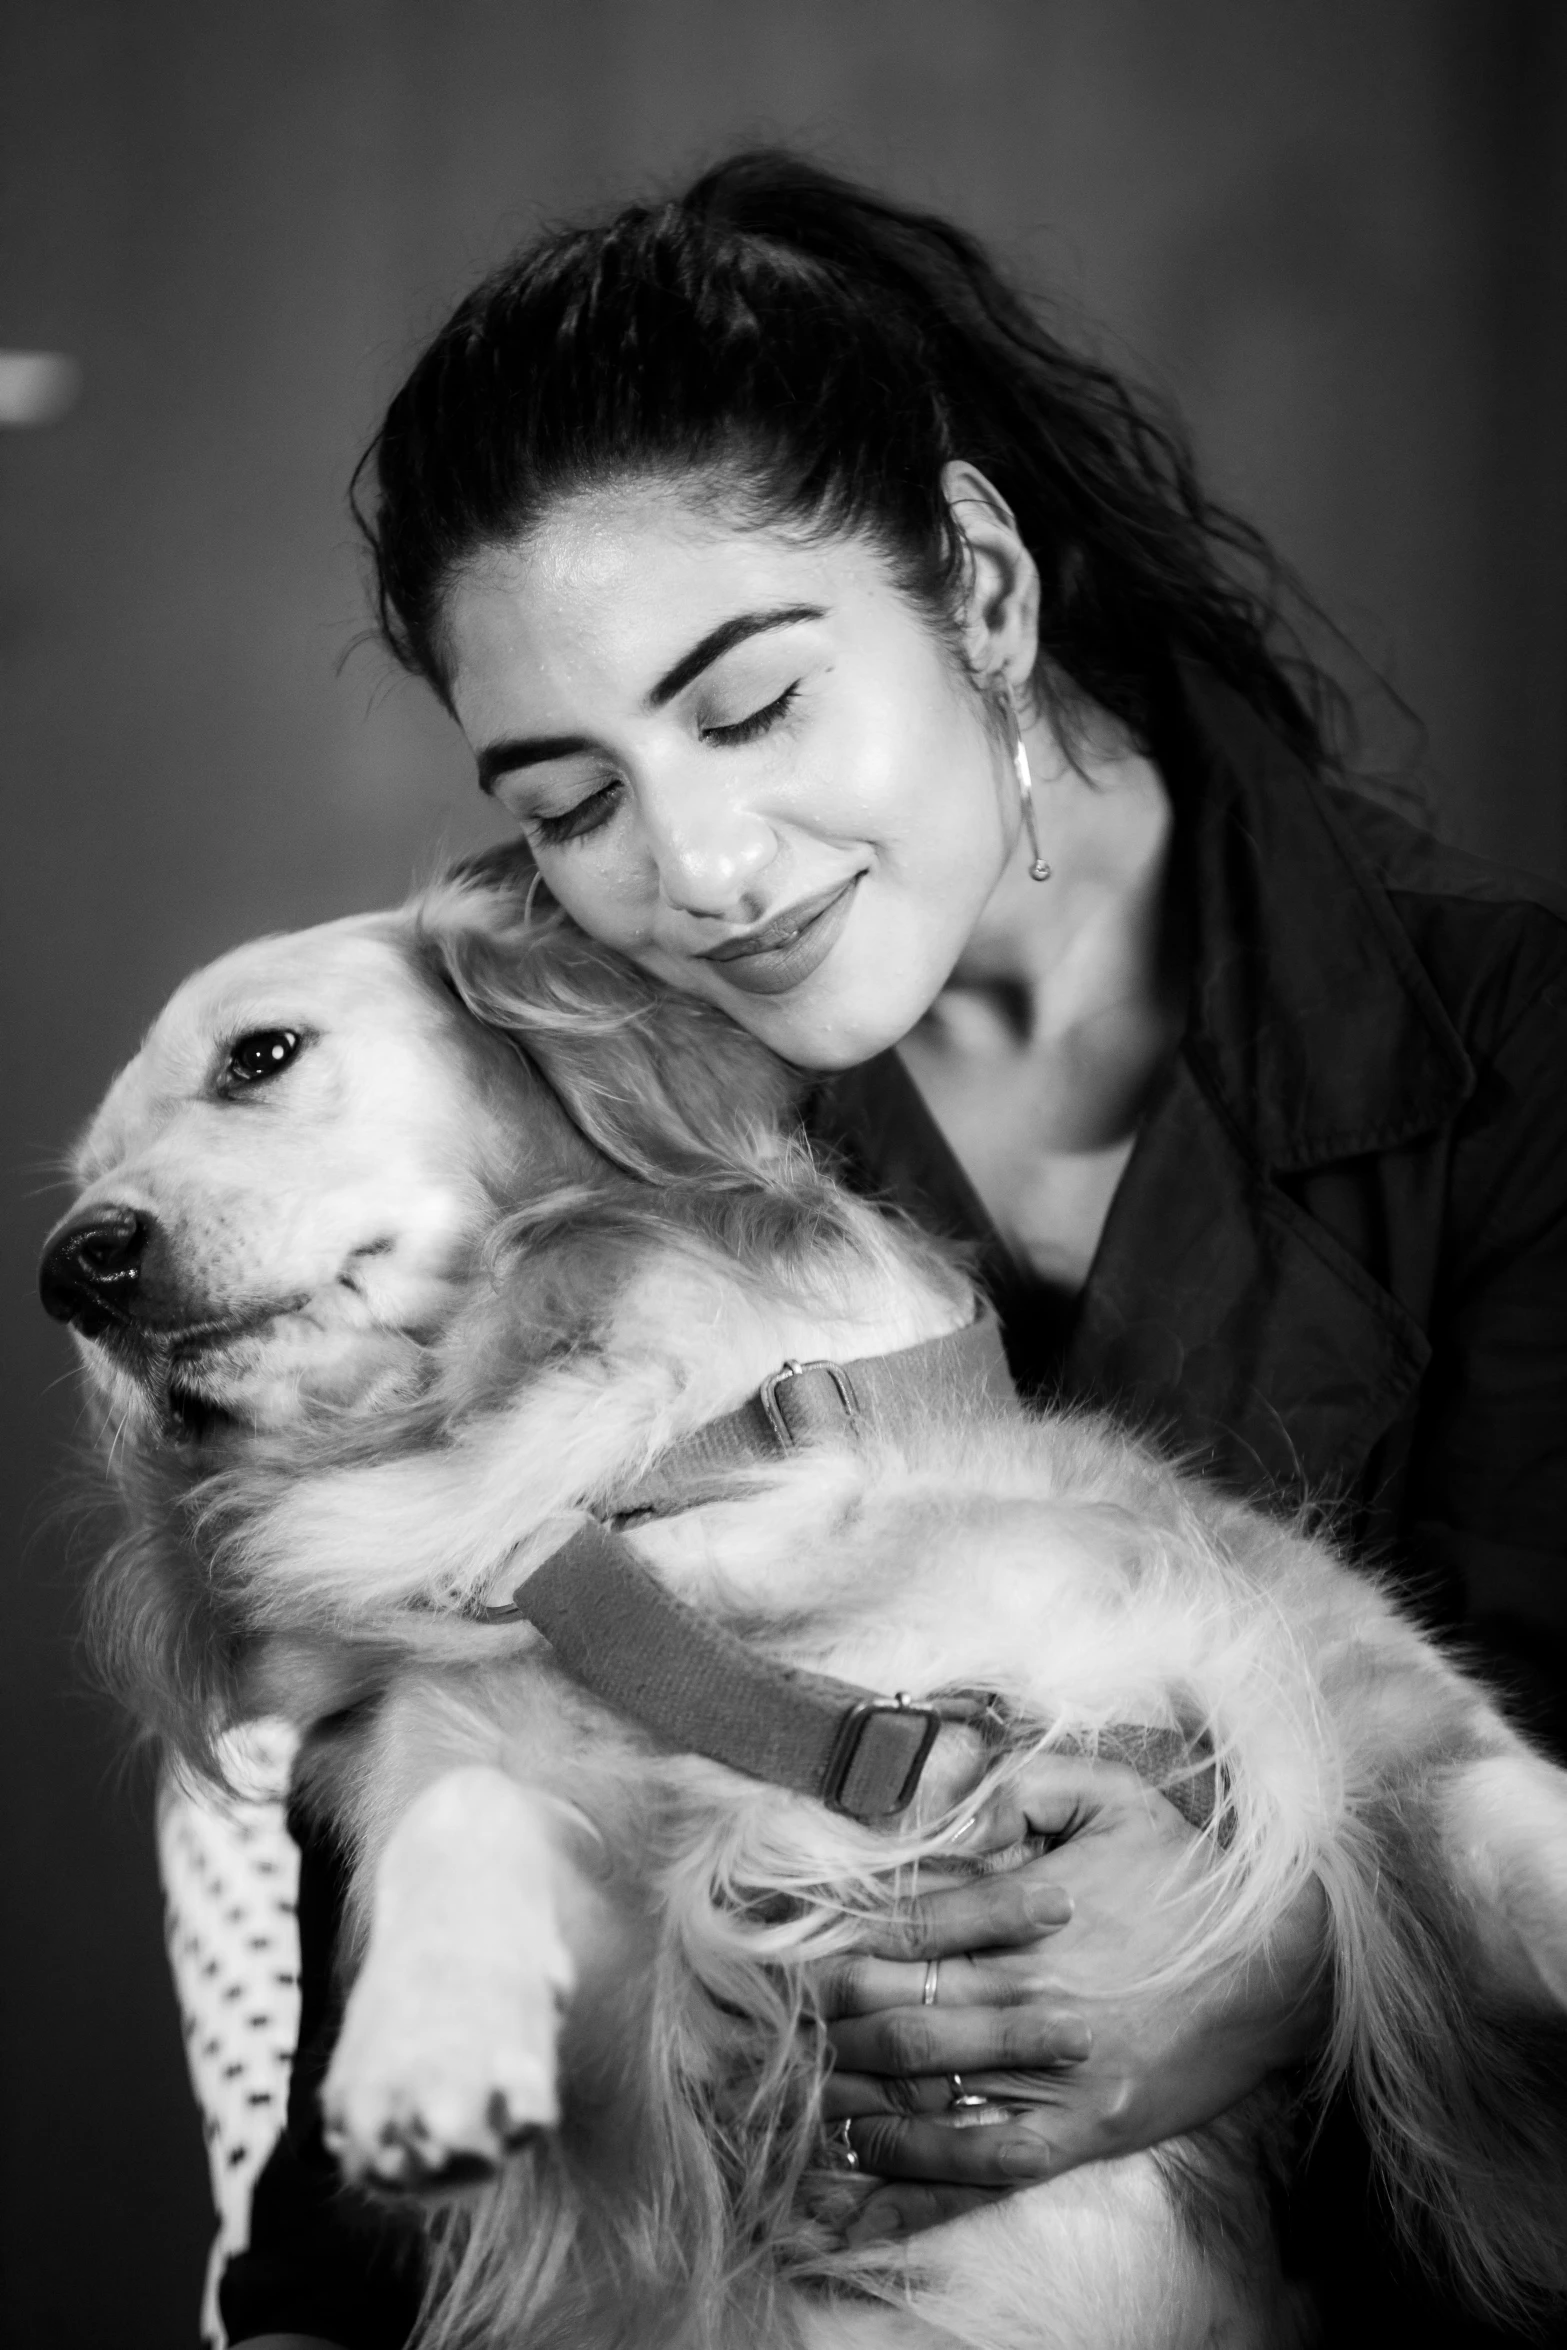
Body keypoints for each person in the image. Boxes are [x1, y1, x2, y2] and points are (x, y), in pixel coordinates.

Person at [219, 151, 1567, 2349]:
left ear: (987, 592)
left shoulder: (1513, 1054)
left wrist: (1285, 1958)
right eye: (569, 803)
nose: (704, 864)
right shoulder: (552, 1109)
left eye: (749, 709)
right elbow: (422, 1863)